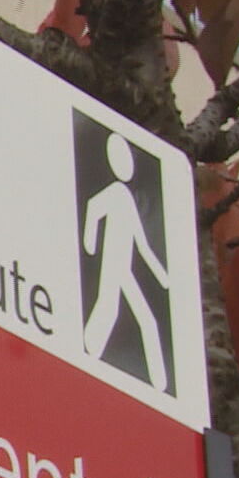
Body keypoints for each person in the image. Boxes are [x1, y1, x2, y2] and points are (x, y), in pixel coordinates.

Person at [81, 133, 169, 392]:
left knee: (145, 319)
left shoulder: (126, 197)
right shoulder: (115, 193)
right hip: (112, 266)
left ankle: (159, 385)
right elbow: (94, 208)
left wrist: (161, 274)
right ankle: (86, 356)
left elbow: (141, 243)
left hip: (124, 268)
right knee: (109, 310)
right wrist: (89, 242)